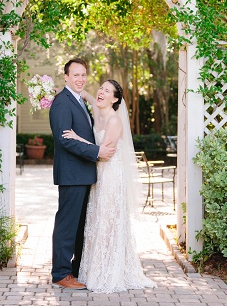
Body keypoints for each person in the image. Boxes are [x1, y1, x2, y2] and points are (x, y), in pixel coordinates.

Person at [62, 79, 158, 293]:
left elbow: (103, 153)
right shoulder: (97, 109)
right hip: (98, 178)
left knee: (108, 224)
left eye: (107, 91)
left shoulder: (114, 121)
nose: (101, 92)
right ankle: (93, 271)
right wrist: (60, 90)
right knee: (96, 224)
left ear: (115, 99)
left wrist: (77, 138)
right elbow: (85, 94)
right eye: (101, 88)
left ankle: (109, 273)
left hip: (112, 178)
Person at [49, 58, 116, 290]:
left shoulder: (78, 100)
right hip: (71, 173)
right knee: (67, 225)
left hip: (83, 174)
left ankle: (75, 271)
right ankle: (60, 273)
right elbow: (64, 139)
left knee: (78, 226)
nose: (80, 79)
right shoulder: (61, 103)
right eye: (75, 75)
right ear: (65, 77)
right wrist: (97, 151)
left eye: (83, 75)